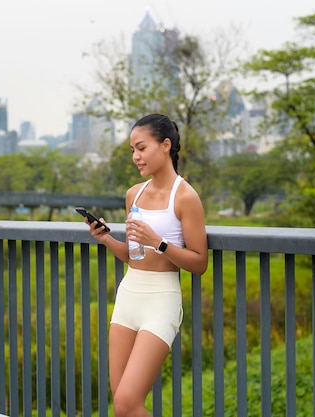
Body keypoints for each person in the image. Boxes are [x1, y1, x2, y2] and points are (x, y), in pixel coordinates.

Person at [83, 113, 208, 417]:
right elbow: (133, 256)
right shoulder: (133, 194)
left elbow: (200, 262)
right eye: (132, 151)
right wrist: (106, 239)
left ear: (165, 145)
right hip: (129, 295)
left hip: (161, 300)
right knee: (121, 406)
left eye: (141, 148)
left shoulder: (186, 197)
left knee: (128, 403)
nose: (136, 157)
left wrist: (160, 242)